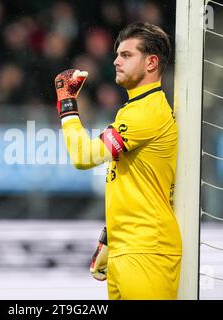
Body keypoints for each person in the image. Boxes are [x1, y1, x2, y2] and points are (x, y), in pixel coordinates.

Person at [54, 22, 181, 299]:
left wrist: (67, 102)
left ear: (151, 62)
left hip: (147, 250)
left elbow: (83, 157)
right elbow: (133, 183)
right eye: (117, 54)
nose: (116, 61)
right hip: (128, 247)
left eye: (126, 55)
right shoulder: (135, 110)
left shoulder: (147, 113)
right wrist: (112, 236)